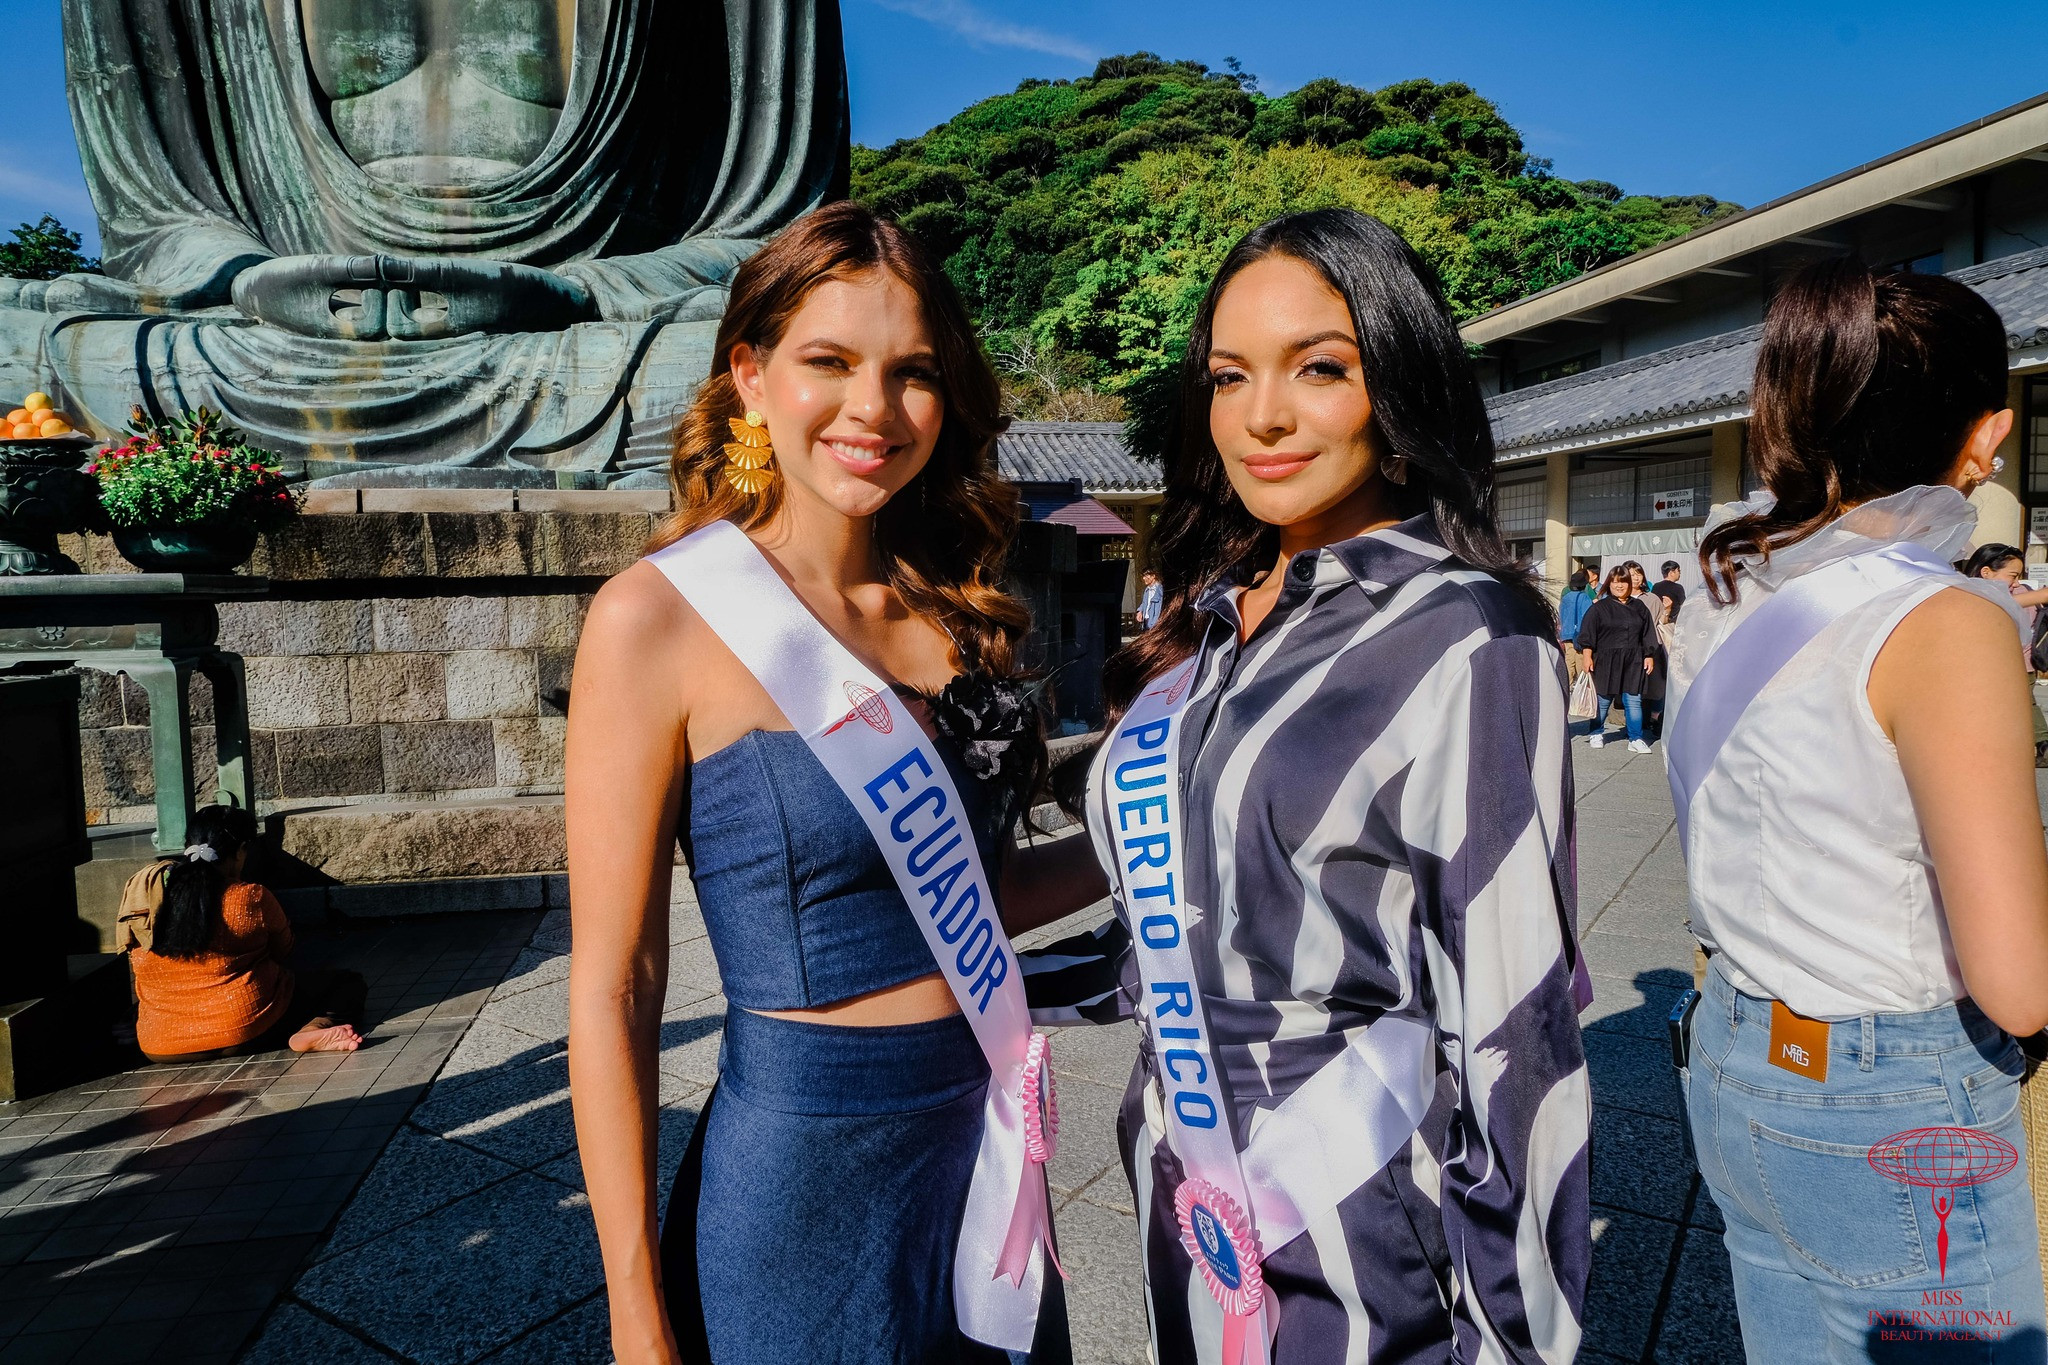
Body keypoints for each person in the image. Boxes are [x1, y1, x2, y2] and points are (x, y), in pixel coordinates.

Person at [1029, 208, 1590, 1364]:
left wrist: (1514, 1340)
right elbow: (1191, 923)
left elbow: (1516, 1021)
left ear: (1396, 381)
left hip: (1358, 1212)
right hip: (1185, 1192)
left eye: (1318, 368)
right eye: (1228, 377)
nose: (1262, 417)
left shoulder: (1465, 634)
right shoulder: (1221, 619)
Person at [566, 203, 1096, 1365]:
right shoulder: (658, 618)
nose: (873, 408)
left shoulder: (954, 609)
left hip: (984, 1134)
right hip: (802, 1165)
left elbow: (969, 899)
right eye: (829, 362)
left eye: (911, 373)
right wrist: (633, 1307)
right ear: (750, 377)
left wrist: (1139, 837)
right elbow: (617, 986)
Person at [1667, 258, 2048, 1364]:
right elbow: (2018, 984)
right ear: (1983, 437)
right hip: (1889, 1093)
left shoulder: (1725, 582)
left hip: (1737, 1048)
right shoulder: (1949, 622)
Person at [129, 804, 366, 1062]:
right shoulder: (249, 896)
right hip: (246, 1032)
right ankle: (312, 1028)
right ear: (241, 851)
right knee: (347, 983)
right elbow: (284, 950)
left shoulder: (149, 896)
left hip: (160, 1046)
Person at [1963, 542, 2048, 764]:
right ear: (1986, 572)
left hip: (2019, 665)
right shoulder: (1965, 592)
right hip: (1985, 669)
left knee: (2020, 708)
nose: (2017, 582)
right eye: (2012, 575)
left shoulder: (2018, 592)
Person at [1575, 565, 1657, 751]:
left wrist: (1649, 655)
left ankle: (1635, 738)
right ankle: (1596, 732)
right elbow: (1587, 634)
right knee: (1603, 699)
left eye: (1623, 582)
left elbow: (1647, 633)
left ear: (1629, 584)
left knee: (1633, 699)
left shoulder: (1639, 607)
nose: (1619, 586)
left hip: (1634, 659)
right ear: (1609, 584)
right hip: (1605, 658)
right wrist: (1587, 657)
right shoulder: (1599, 608)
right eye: (1615, 582)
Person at [1558, 566, 1597, 682]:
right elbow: (1589, 617)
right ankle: (1581, 684)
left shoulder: (1565, 598)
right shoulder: (1585, 598)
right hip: (1580, 633)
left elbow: (1560, 614)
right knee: (1580, 659)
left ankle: (1567, 684)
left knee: (1569, 659)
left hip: (1566, 633)